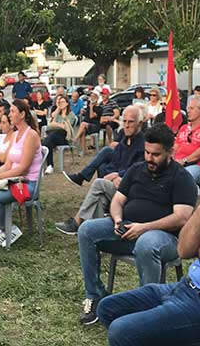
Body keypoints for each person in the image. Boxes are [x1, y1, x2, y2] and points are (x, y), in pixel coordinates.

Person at [76, 123, 197, 325]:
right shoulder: (137, 169)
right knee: (87, 230)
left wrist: (144, 227)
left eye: (155, 154)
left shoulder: (182, 178)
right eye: (147, 152)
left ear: (170, 152)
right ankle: (96, 296)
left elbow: (182, 217)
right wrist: (117, 219)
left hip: (165, 238)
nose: (149, 158)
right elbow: (118, 200)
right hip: (128, 229)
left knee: (146, 243)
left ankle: (147, 310)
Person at [96, 203, 200, 346]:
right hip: (186, 286)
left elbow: (181, 217)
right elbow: (183, 250)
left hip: (196, 301)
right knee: (107, 308)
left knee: (121, 331)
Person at [56, 106, 146, 235]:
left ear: (140, 123)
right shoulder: (124, 140)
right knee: (100, 197)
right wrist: (114, 176)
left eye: (130, 122)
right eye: (124, 121)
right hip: (118, 185)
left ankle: (77, 222)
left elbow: (138, 169)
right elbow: (113, 164)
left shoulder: (143, 145)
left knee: (99, 184)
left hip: (130, 191)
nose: (126, 125)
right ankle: (95, 231)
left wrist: (117, 175)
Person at [0, 100, 43, 247]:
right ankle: (6, 228)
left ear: (22, 114)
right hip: (14, 180)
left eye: (12, 111)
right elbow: (8, 164)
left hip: (27, 185)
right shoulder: (16, 134)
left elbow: (23, 169)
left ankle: (3, 229)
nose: (9, 115)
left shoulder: (31, 135)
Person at [42, 95, 76, 174]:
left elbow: (66, 128)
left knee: (48, 139)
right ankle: (50, 165)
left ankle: (49, 166)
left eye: (63, 102)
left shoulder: (71, 115)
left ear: (67, 103)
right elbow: (50, 125)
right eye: (60, 102)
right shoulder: (58, 114)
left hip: (65, 137)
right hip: (54, 136)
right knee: (48, 142)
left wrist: (57, 124)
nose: (61, 104)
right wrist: (60, 124)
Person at [174, 95, 200, 184]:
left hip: (195, 165)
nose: (188, 111)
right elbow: (176, 146)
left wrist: (184, 161)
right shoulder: (184, 128)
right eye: (188, 108)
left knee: (182, 179)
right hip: (177, 163)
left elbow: (198, 154)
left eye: (191, 108)